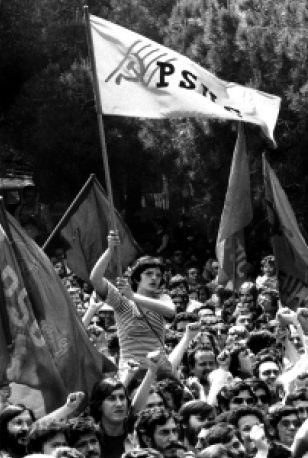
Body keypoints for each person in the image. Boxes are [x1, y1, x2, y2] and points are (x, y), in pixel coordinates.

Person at [90, 232, 175, 376]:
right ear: (136, 278)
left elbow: (170, 312)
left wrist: (133, 296)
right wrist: (110, 250)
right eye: (148, 274)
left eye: (158, 275)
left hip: (158, 372)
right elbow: (95, 279)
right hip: (130, 373)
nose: (154, 278)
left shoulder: (162, 298)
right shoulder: (121, 302)